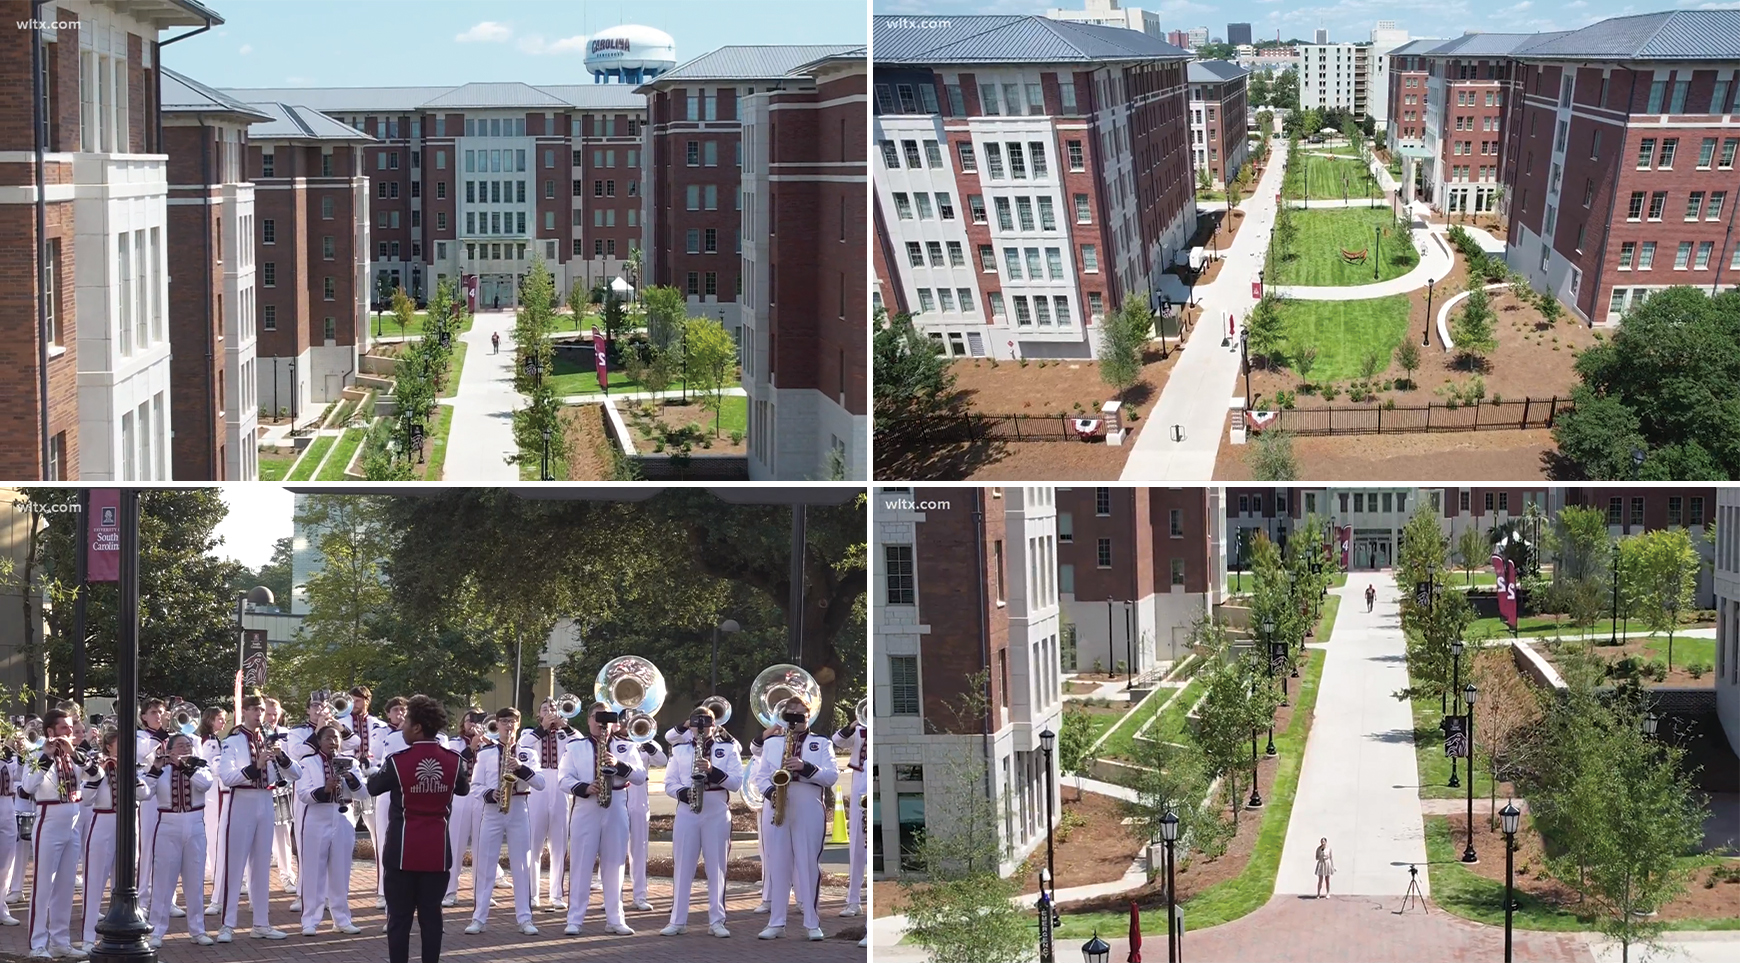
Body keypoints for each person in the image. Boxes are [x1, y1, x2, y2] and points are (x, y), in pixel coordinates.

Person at [368, 695, 469, 963]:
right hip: (437, 850)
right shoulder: (454, 760)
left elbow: (374, 787)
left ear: (417, 727)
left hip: (402, 850)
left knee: (399, 920)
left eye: (407, 721)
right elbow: (462, 788)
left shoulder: (398, 760)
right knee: (432, 917)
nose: (402, 726)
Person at [750, 697, 839, 941]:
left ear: (809, 716)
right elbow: (761, 776)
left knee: (808, 863)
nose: (795, 719)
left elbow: (831, 776)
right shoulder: (772, 743)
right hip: (778, 802)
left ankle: (812, 923)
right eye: (790, 715)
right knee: (777, 865)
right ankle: (776, 922)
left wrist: (804, 766)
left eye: (800, 715)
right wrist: (771, 793)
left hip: (808, 802)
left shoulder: (821, 743)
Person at [216, 694, 302, 942]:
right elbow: (227, 778)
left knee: (262, 865)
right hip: (241, 800)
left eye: (261, 709)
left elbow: (296, 773)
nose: (258, 714)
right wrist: (257, 765)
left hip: (266, 800)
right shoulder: (232, 741)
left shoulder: (271, 738)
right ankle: (227, 925)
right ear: (244, 712)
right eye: (254, 709)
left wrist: (281, 757)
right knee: (235, 864)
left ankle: (261, 923)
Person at [557, 704, 641, 937]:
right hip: (586, 807)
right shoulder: (575, 747)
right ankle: (575, 919)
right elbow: (563, 779)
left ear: (615, 722)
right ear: (589, 720)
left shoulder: (626, 746)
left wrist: (619, 764)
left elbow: (641, 776)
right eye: (597, 717)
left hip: (615, 804)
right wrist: (585, 787)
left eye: (607, 718)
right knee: (581, 863)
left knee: (615, 864)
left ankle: (615, 919)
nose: (602, 723)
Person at [660, 704, 741, 938]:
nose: (701, 727)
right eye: (697, 723)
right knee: (683, 866)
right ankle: (677, 920)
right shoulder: (680, 750)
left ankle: (717, 920)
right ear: (691, 726)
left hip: (716, 809)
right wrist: (683, 794)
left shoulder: (727, 749)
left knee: (717, 868)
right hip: (687, 810)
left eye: (706, 723)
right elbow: (669, 783)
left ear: (714, 726)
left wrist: (712, 770)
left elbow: (736, 782)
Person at [464, 708, 542, 936]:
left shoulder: (528, 753)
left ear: (518, 725)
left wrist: (520, 767)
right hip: (492, 811)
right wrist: (491, 794)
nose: (508, 726)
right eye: (504, 721)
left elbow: (540, 783)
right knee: (486, 865)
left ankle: (525, 918)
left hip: (519, 808)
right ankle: (479, 917)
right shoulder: (486, 753)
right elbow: (475, 787)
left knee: (521, 865)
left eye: (513, 722)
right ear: (496, 725)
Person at [79, 730, 152, 952]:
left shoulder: (131, 767)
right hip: (103, 822)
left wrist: (130, 773)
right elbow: (86, 798)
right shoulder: (97, 766)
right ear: (108, 746)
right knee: (95, 882)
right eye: (119, 744)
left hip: (128, 822)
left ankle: (126, 933)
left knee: (126, 879)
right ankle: (88, 939)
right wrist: (97, 773)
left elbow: (145, 794)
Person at [23, 708, 84, 959]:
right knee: (43, 885)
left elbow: (94, 776)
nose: (70, 731)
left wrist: (76, 755)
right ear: (50, 732)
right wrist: (46, 757)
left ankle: (60, 940)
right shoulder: (36, 755)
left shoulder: (76, 756)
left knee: (66, 885)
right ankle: (38, 943)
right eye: (64, 728)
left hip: (73, 821)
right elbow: (28, 786)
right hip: (49, 821)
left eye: (71, 727)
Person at [146, 733, 215, 948]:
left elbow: (205, 784)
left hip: (195, 823)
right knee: (163, 881)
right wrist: (156, 768)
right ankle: (156, 930)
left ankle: (198, 930)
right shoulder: (161, 769)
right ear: (171, 749)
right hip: (168, 824)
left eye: (189, 745)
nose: (186, 749)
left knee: (194, 880)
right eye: (181, 746)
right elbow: (144, 793)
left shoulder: (200, 767)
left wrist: (186, 766)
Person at [294, 724, 364, 936]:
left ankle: (341, 919)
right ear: (319, 741)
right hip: (316, 817)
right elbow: (303, 794)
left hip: (343, 817)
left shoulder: (350, 762)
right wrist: (325, 788)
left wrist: (350, 778)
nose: (333, 742)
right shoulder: (307, 762)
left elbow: (364, 794)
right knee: (313, 870)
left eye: (336, 738)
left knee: (341, 871)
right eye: (328, 738)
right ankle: (310, 921)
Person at [519, 699, 570, 911]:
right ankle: (532, 894)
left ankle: (556, 895)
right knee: (534, 843)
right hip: (537, 785)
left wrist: (564, 726)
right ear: (538, 714)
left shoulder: (565, 734)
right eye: (545, 709)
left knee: (559, 844)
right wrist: (543, 728)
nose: (550, 712)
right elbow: (523, 746)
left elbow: (579, 743)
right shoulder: (529, 733)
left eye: (553, 709)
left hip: (560, 785)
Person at [442, 709, 488, 909]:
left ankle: (481, 893)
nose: (474, 724)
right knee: (456, 843)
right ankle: (450, 891)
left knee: (482, 846)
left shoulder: (490, 742)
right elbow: (452, 764)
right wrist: (472, 746)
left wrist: (485, 743)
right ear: (464, 723)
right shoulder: (454, 743)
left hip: (482, 795)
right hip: (461, 794)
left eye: (479, 721)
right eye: (471, 720)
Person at [831, 712, 866, 917]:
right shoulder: (859, 731)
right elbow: (837, 741)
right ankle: (853, 901)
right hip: (860, 778)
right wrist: (852, 725)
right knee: (856, 844)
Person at [626, 734, 667, 911]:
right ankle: (612, 897)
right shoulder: (612, 742)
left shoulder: (645, 740)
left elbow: (661, 760)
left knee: (639, 852)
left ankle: (640, 896)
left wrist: (646, 741)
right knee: (613, 853)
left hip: (639, 805)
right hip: (615, 803)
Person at [262, 698, 298, 900]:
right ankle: (249, 880)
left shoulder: (287, 734)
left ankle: (287, 875)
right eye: (268, 713)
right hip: (261, 788)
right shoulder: (255, 733)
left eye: (275, 713)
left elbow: (293, 761)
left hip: (282, 788)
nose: (272, 718)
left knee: (284, 834)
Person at [196, 707, 229, 889]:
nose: (223, 722)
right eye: (220, 719)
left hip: (213, 788)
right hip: (213, 788)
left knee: (213, 831)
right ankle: (217, 873)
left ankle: (212, 870)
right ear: (210, 720)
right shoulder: (210, 742)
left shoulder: (213, 739)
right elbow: (212, 765)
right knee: (214, 831)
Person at [0, 736, 22, 927]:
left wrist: (22, 753)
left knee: (7, 862)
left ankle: (1, 908)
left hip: (7, 806)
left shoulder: (9, 758)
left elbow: (22, 777)